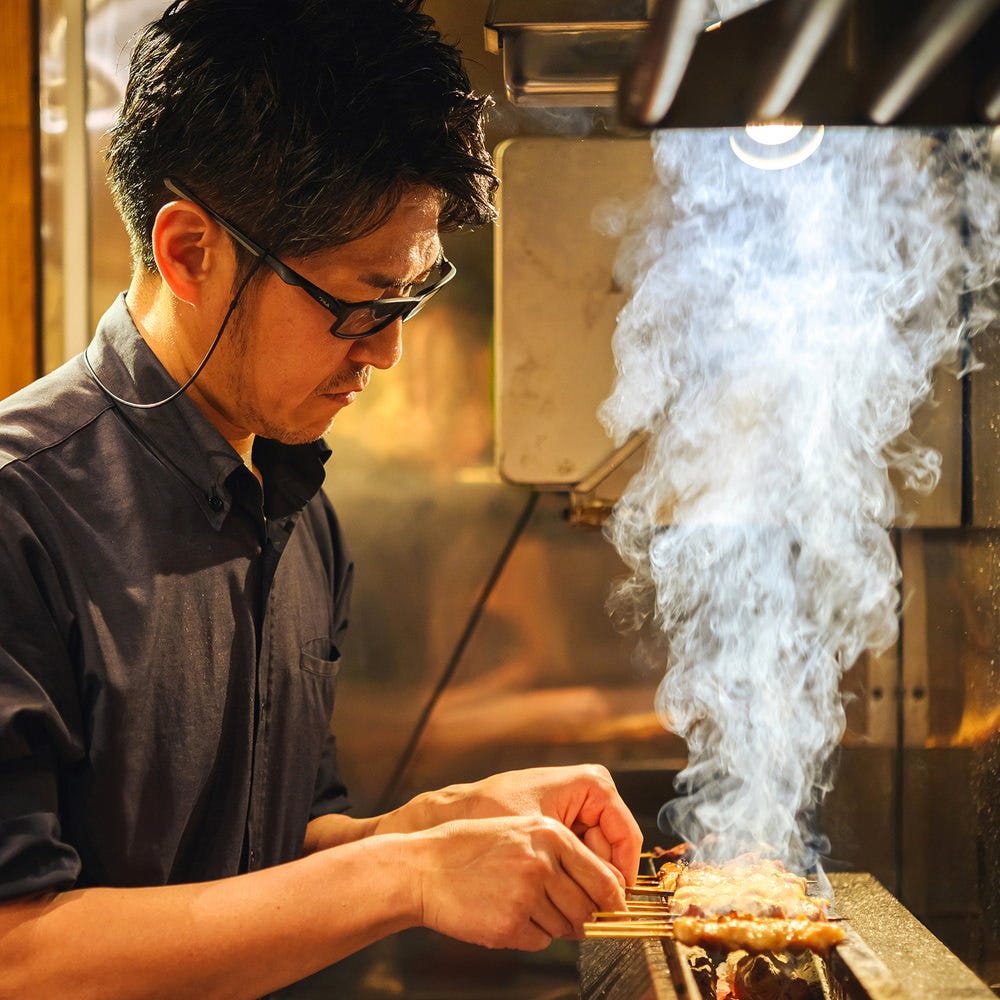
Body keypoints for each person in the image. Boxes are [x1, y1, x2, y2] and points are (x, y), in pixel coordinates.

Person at [0, 1, 643, 997]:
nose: (385, 348)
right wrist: (406, 873)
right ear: (189, 252)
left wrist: (435, 826)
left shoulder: (294, 499)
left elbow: (272, 851)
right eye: (358, 300)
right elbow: (19, 951)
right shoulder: (23, 513)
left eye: (408, 297)